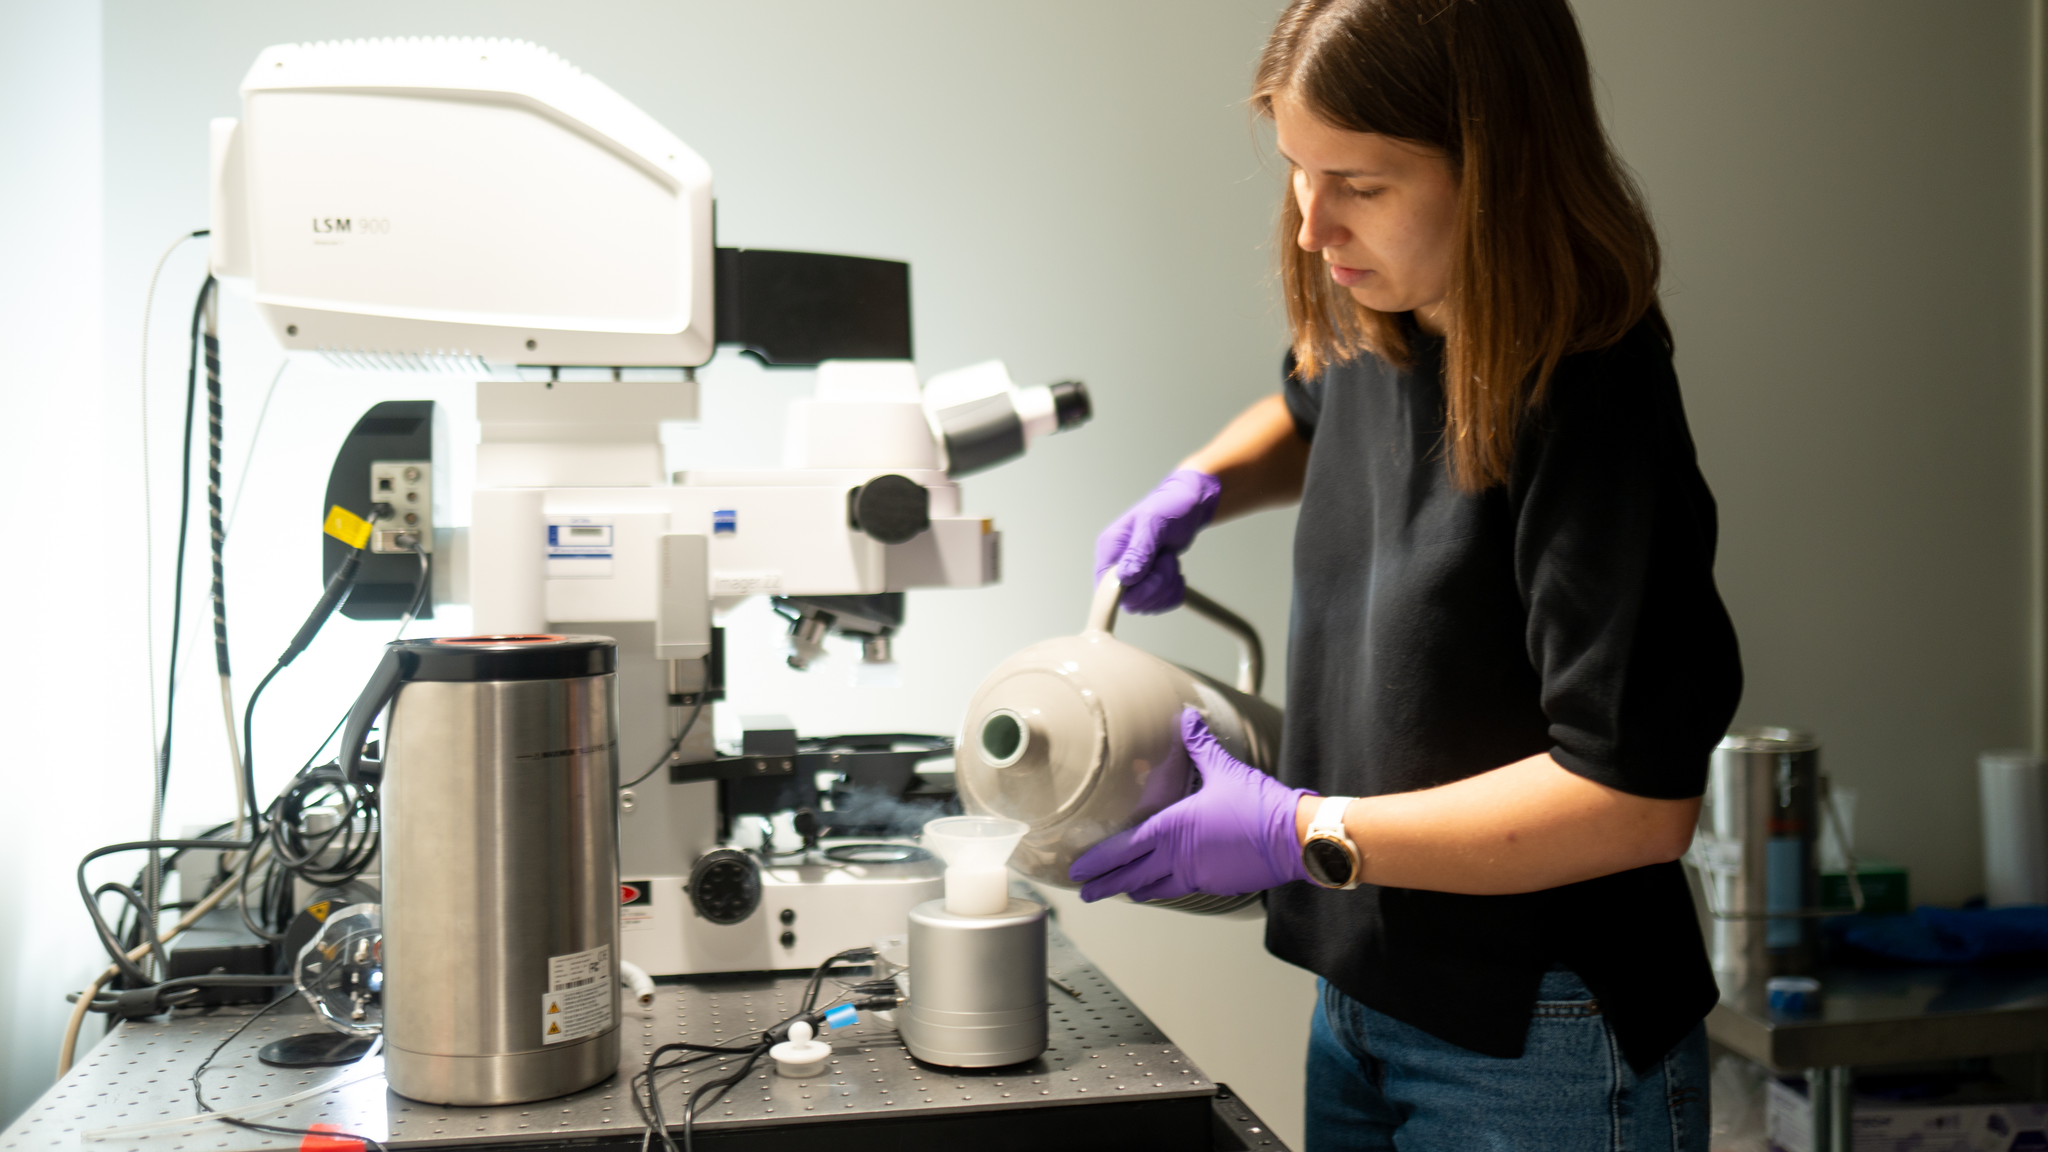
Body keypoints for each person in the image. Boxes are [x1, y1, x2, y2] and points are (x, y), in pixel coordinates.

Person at [1071, 1, 1743, 1148]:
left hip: (1540, 1038)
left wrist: (1304, 831)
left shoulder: (1590, 397)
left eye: (1361, 184)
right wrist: (1200, 484)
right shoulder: (1385, 306)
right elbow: (1310, 401)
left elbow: (1632, 803)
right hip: (1364, 1003)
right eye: (1295, 170)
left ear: (1495, 171)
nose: (1310, 225)